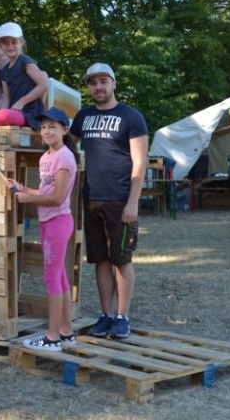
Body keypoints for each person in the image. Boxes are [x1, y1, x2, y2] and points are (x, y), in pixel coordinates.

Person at [69, 63, 148, 339]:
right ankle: (106, 314)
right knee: (100, 259)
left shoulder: (131, 116)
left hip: (120, 200)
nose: (98, 87)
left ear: (114, 83)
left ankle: (122, 316)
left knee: (121, 259)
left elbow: (140, 162)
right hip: (91, 198)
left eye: (103, 81)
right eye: (93, 83)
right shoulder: (83, 116)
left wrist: (133, 202)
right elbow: (67, 143)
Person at [6, 107, 78, 351]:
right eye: (43, 126)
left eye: (52, 127)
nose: (46, 131)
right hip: (49, 221)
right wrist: (23, 188)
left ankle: (52, 337)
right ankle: (66, 332)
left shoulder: (64, 157)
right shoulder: (46, 157)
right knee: (60, 277)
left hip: (59, 220)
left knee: (51, 278)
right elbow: (45, 192)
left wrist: (28, 200)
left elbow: (57, 198)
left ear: (64, 130)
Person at [0, 22, 48, 130]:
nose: (10, 46)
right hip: (15, 112)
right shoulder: (4, 72)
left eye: (14, 42)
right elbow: (6, 100)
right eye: (5, 43)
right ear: (0, 44)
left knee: (3, 116)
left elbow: (43, 86)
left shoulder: (26, 62)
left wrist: (21, 102)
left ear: (21, 42)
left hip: (31, 113)